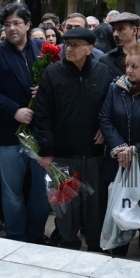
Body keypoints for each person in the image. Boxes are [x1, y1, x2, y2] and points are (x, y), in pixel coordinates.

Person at [32, 27, 112, 251]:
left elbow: (111, 107)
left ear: (90, 48)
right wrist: (46, 151)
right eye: (67, 44)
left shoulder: (103, 73)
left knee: (94, 207)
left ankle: (96, 248)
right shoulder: (52, 73)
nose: (70, 49)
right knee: (65, 209)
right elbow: (43, 114)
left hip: (94, 153)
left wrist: (105, 129)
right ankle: (68, 245)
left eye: (76, 45)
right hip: (62, 156)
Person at [0, 3, 50, 243]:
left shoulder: (44, 50)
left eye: (17, 23)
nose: (12, 28)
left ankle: (35, 234)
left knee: (42, 191)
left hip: (41, 133)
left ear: (28, 25)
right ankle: (17, 236)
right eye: (8, 24)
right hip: (9, 133)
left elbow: (59, 83)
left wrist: (45, 91)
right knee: (11, 193)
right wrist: (15, 111)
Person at [99, 43, 140, 259]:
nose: (128, 71)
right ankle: (118, 254)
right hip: (117, 161)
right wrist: (120, 148)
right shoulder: (115, 88)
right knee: (119, 208)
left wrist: (135, 150)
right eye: (127, 66)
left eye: (134, 66)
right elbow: (105, 118)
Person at [100, 12, 140, 79]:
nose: (115, 34)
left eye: (120, 29)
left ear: (134, 31)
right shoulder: (106, 60)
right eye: (113, 30)